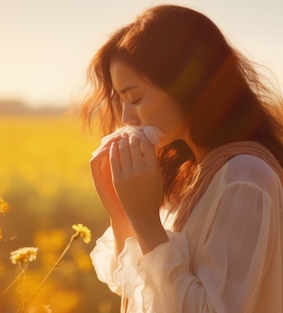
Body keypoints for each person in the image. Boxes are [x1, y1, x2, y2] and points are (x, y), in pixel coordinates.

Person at [77, 4, 283, 312]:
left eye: (135, 98)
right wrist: (123, 216)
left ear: (187, 85)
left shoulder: (245, 177)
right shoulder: (188, 173)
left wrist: (146, 222)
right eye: (121, 100)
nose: (125, 116)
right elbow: (138, 288)